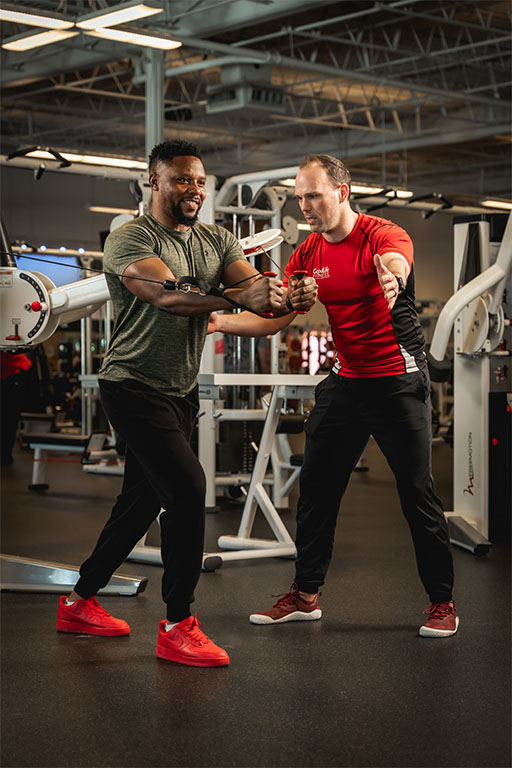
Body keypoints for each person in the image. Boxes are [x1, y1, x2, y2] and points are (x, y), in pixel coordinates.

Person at [56, 139, 318, 667]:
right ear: (153, 182)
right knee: (188, 484)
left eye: (200, 181)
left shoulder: (217, 240)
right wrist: (240, 295)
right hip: (130, 383)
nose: (193, 189)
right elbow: (170, 297)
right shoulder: (129, 238)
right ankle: (178, 622)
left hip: (178, 390)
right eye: (180, 180)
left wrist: (286, 299)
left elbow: (255, 296)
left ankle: (78, 601)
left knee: (140, 502)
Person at [211, 153, 458, 639]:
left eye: (314, 195)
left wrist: (393, 276)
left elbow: (396, 262)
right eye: (300, 196)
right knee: (317, 492)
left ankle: (442, 602)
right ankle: (305, 596)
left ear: (342, 192)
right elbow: (277, 317)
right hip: (348, 381)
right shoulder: (307, 254)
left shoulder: (381, 235)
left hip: (397, 381)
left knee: (417, 496)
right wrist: (217, 320)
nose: (305, 206)